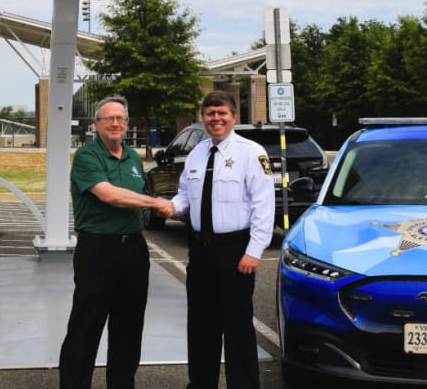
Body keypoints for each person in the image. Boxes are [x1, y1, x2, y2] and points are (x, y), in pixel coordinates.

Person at [58, 96, 175, 389]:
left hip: (133, 250)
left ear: (126, 124)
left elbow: (133, 195)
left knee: (129, 327)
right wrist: (156, 203)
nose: (115, 123)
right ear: (96, 124)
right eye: (108, 118)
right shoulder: (87, 156)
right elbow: (110, 195)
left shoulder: (133, 158)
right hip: (98, 250)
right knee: (86, 327)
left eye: (120, 119)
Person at [170, 91, 275, 389]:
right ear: (202, 118)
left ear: (234, 117)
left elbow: (264, 207)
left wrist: (253, 252)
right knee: (201, 327)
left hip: (235, 252)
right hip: (201, 252)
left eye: (222, 113)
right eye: (210, 114)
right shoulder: (197, 153)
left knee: (238, 328)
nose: (215, 118)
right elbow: (184, 195)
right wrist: (170, 206)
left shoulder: (252, 153)